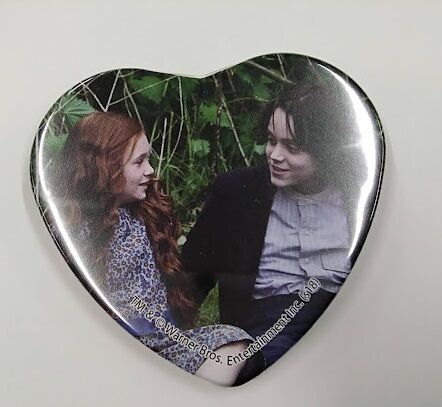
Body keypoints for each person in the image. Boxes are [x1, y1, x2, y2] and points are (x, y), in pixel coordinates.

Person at [49, 111, 258, 386]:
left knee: (234, 342)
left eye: (148, 159)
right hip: (115, 347)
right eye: (139, 162)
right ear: (105, 167)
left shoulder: (142, 211)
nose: (150, 170)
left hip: (165, 341)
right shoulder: (74, 231)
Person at [182, 84, 360, 369]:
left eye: (292, 147)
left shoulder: (359, 196)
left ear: (326, 150)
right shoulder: (236, 192)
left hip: (342, 331)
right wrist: (155, 328)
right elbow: (189, 280)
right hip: (263, 335)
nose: (275, 155)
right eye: (271, 140)